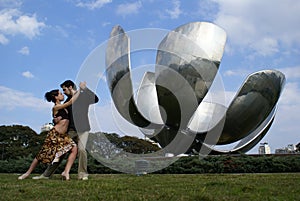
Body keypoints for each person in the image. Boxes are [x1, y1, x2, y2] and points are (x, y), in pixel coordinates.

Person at [33, 80, 99, 180]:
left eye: (64, 89)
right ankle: (46, 175)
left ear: (70, 87)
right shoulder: (67, 101)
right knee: (61, 152)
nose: (63, 92)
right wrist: (55, 119)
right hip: (71, 130)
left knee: (81, 150)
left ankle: (83, 174)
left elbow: (96, 99)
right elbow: (61, 115)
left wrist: (85, 89)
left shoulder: (83, 96)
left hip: (84, 129)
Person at [18, 89, 79, 180]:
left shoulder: (63, 107)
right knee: (41, 155)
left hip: (63, 136)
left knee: (74, 149)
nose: (62, 95)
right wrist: (77, 92)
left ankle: (66, 172)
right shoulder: (56, 107)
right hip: (55, 135)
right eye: (60, 94)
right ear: (56, 97)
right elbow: (70, 102)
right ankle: (27, 173)